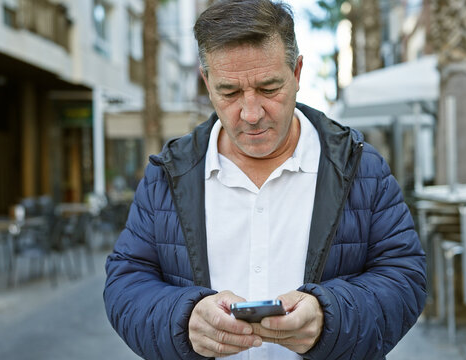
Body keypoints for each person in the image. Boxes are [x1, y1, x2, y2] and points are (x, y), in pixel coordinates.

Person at [104, 0, 426, 359]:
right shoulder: (168, 173)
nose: (251, 113)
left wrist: (329, 318)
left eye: (269, 88)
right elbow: (125, 281)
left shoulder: (362, 167)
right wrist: (183, 319)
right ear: (207, 82)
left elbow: (405, 277)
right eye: (229, 93)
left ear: (298, 72)